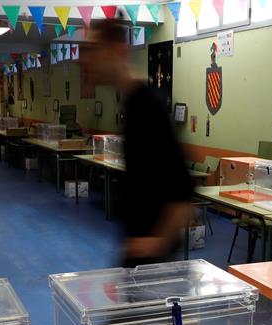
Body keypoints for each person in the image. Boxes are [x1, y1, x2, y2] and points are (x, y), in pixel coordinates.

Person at [80, 19, 193, 267]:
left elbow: (182, 189)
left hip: (150, 261)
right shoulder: (131, 103)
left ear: (117, 50)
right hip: (135, 252)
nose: (87, 58)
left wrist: (156, 244)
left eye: (94, 49)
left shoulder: (147, 105)